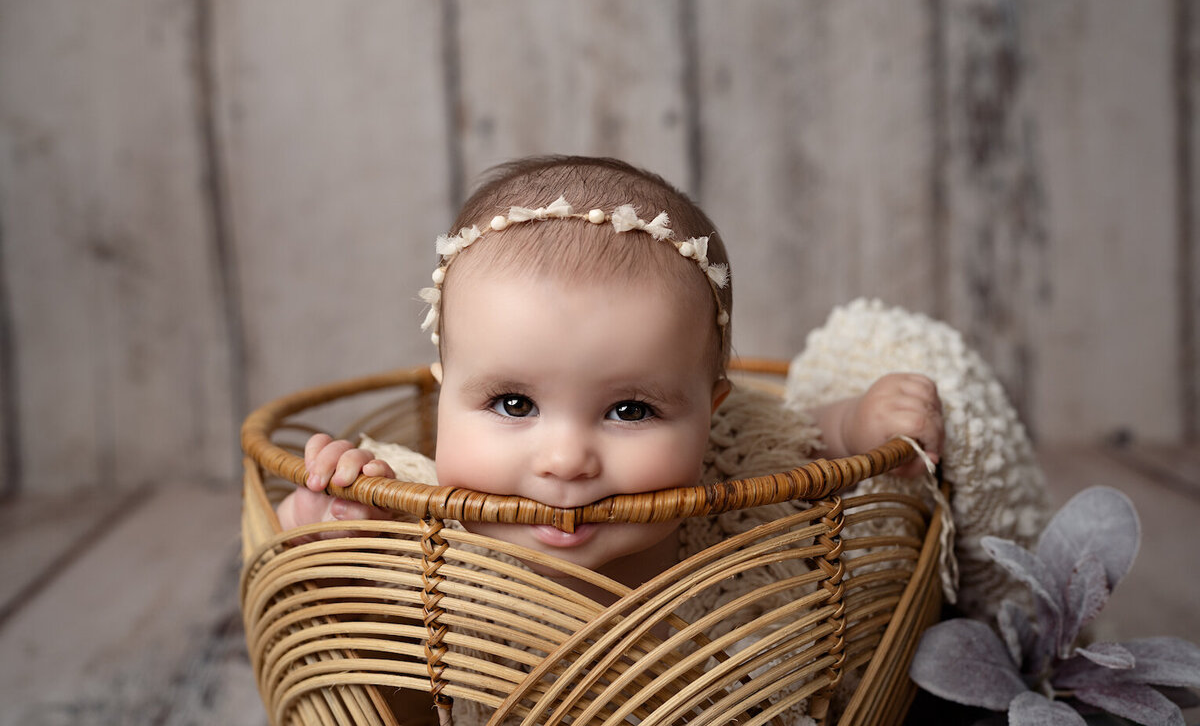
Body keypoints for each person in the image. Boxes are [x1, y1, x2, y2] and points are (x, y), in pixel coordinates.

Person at [276, 155, 945, 594]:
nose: (566, 460)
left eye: (630, 411)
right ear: (442, 391)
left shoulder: (730, 471)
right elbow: (342, 611)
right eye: (513, 403)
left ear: (710, 411)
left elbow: (800, 437)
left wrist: (861, 422)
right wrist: (325, 515)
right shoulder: (419, 518)